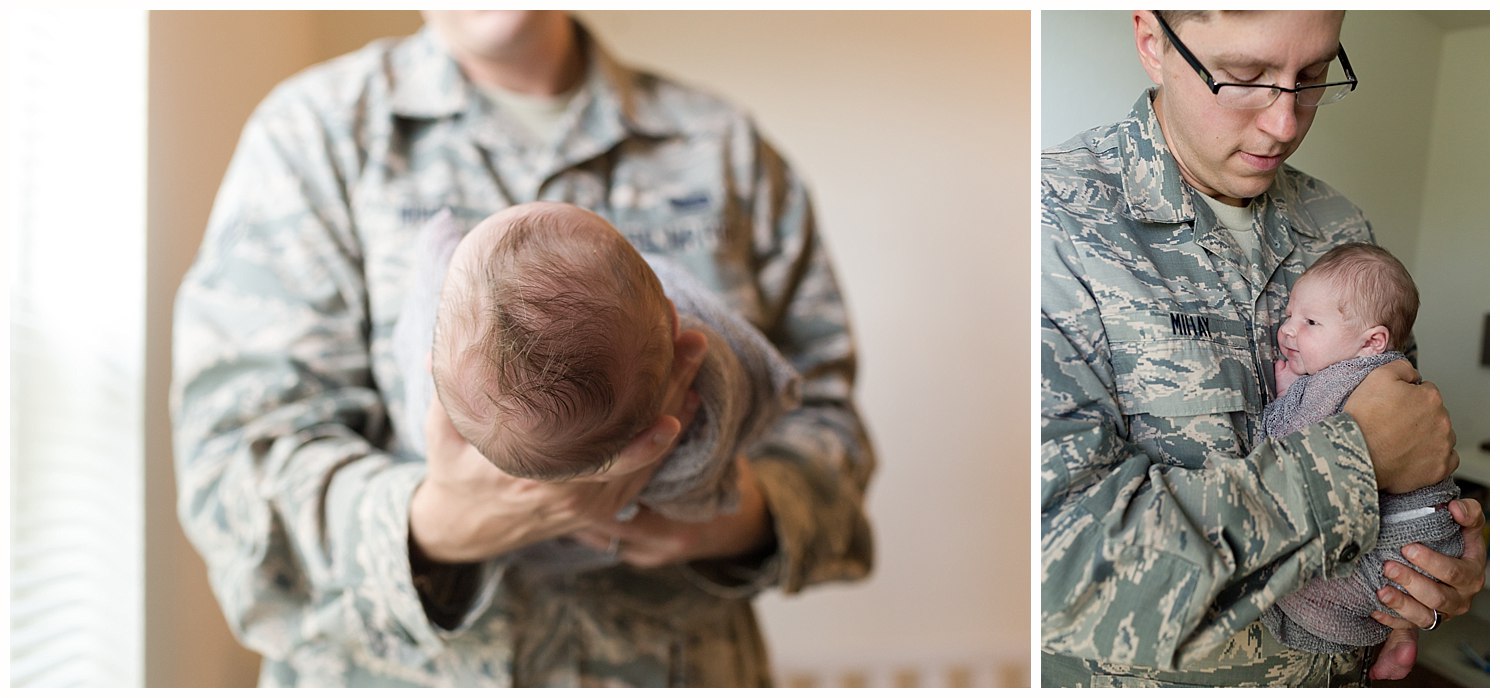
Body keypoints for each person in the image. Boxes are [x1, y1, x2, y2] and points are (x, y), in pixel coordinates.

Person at [171, 10, 874, 687]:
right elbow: (234, 459)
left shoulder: (722, 148)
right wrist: (434, 525)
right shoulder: (318, 137)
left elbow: (827, 424)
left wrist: (730, 511)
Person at [1039, 10, 1487, 687]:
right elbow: (1050, 571)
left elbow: (1416, 444)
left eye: (1312, 77)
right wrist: (1356, 460)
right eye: (1245, 77)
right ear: (1153, 43)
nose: (1285, 125)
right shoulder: (1046, 225)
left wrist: (1443, 560)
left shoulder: (1339, 228)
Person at [389, 202, 801, 572]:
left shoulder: (436, 372)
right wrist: (435, 524)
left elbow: (831, 424)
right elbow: (759, 385)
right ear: (675, 323)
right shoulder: (699, 406)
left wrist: (748, 523)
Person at [1257, 242, 1463, 654]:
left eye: (1310, 321)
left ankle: (1365, 636)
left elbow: (1286, 444)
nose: (1287, 330)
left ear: (1372, 342)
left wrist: (1286, 400)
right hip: (1430, 535)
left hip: (1397, 543)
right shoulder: (1385, 369)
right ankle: (1387, 637)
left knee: (1291, 587)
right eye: (1289, 315)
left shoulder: (1342, 377)